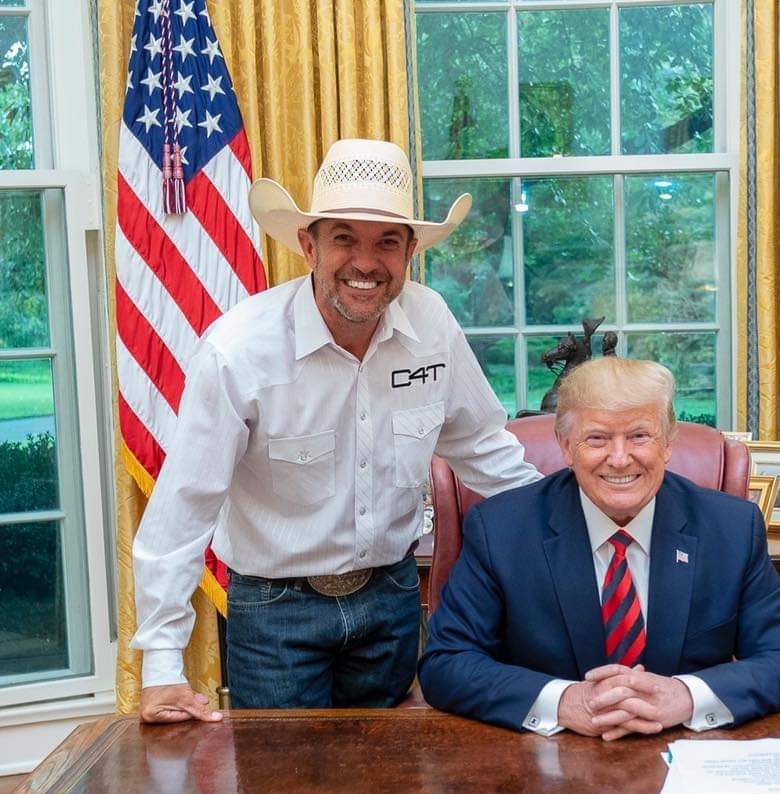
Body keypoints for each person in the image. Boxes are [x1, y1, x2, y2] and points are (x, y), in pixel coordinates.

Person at [132, 139, 541, 724]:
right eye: (344, 237)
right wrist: (162, 666)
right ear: (309, 245)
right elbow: (185, 507)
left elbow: (485, 450)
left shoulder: (433, 325)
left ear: (410, 252)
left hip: (393, 600)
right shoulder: (238, 352)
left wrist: (570, 531)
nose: (366, 263)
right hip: (275, 611)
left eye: (387, 242)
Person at [419, 358, 780, 739]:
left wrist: (685, 696)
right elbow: (447, 663)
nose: (620, 458)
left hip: (688, 761)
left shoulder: (730, 528)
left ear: (668, 443)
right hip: (542, 762)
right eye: (597, 438)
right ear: (566, 446)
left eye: (640, 436)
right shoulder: (501, 529)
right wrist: (563, 702)